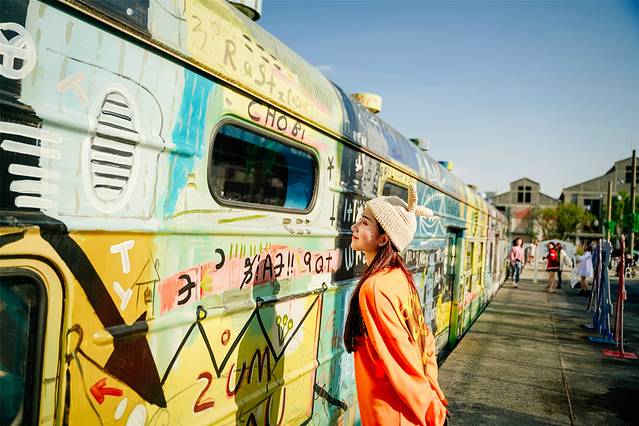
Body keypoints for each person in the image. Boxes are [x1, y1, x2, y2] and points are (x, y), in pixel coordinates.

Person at [344, 184, 448, 426]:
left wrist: (433, 413)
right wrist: (433, 392)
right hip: (404, 410)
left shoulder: (375, 288)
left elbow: (401, 358)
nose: (354, 227)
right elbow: (425, 340)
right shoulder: (400, 277)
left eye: (365, 223)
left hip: (391, 412)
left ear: (384, 239)